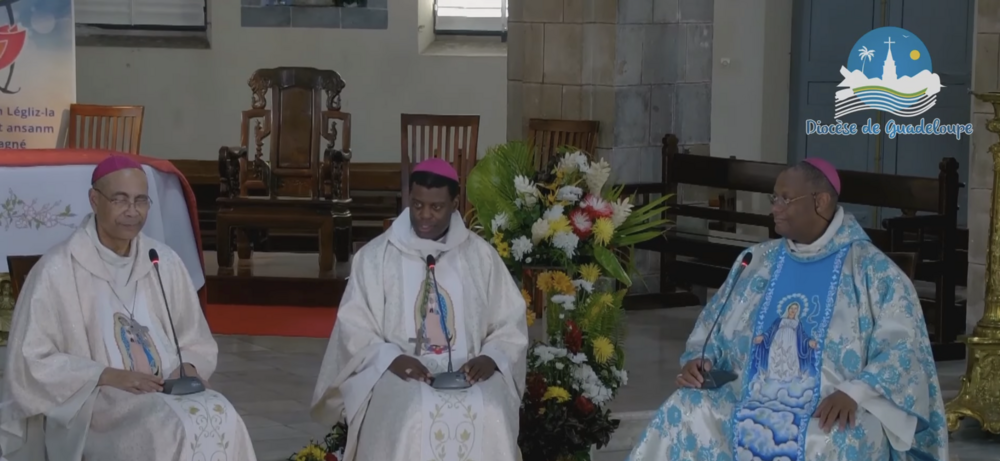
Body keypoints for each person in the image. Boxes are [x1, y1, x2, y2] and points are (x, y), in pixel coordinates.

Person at [627, 158, 947, 460]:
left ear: (820, 202)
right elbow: (715, 324)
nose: (774, 208)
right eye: (774, 198)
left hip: (829, 406)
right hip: (746, 395)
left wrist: (855, 393)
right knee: (686, 407)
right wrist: (702, 360)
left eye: (785, 199)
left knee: (835, 440)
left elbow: (904, 350)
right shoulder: (757, 261)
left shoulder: (872, 270)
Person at [0, 155, 257, 461]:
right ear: (94, 200)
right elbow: (31, 361)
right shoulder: (58, 270)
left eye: (140, 200)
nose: (132, 211)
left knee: (222, 413)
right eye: (120, 200)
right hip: (96, 401)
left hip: (165, 387)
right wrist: (106, 375)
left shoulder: (162, 261)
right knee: (169, 427)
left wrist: (187, 367)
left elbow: (193, 337)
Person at [311, 158, 528, 461]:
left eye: (436, 207)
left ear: (454, 204)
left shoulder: (481, 257)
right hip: (400, 374)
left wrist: (491, 357)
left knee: (491, 411)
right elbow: (354, 325)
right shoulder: (376, 257)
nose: (425, 215)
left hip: (469, 372)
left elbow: (509, 322)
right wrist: (390, 358)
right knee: (413, 414)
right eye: (417, 205)